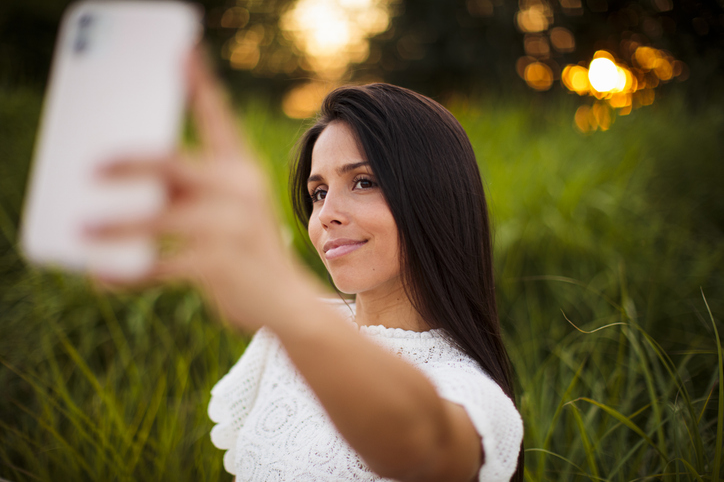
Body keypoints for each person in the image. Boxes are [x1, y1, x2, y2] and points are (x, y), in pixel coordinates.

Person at [94, 49, 524, 481]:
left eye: (364, 181)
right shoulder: (285, 338)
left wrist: (284, 297)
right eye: (318, 192)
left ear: (435, 196)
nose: (326, 214)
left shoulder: (474, 397)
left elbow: (423, 448)